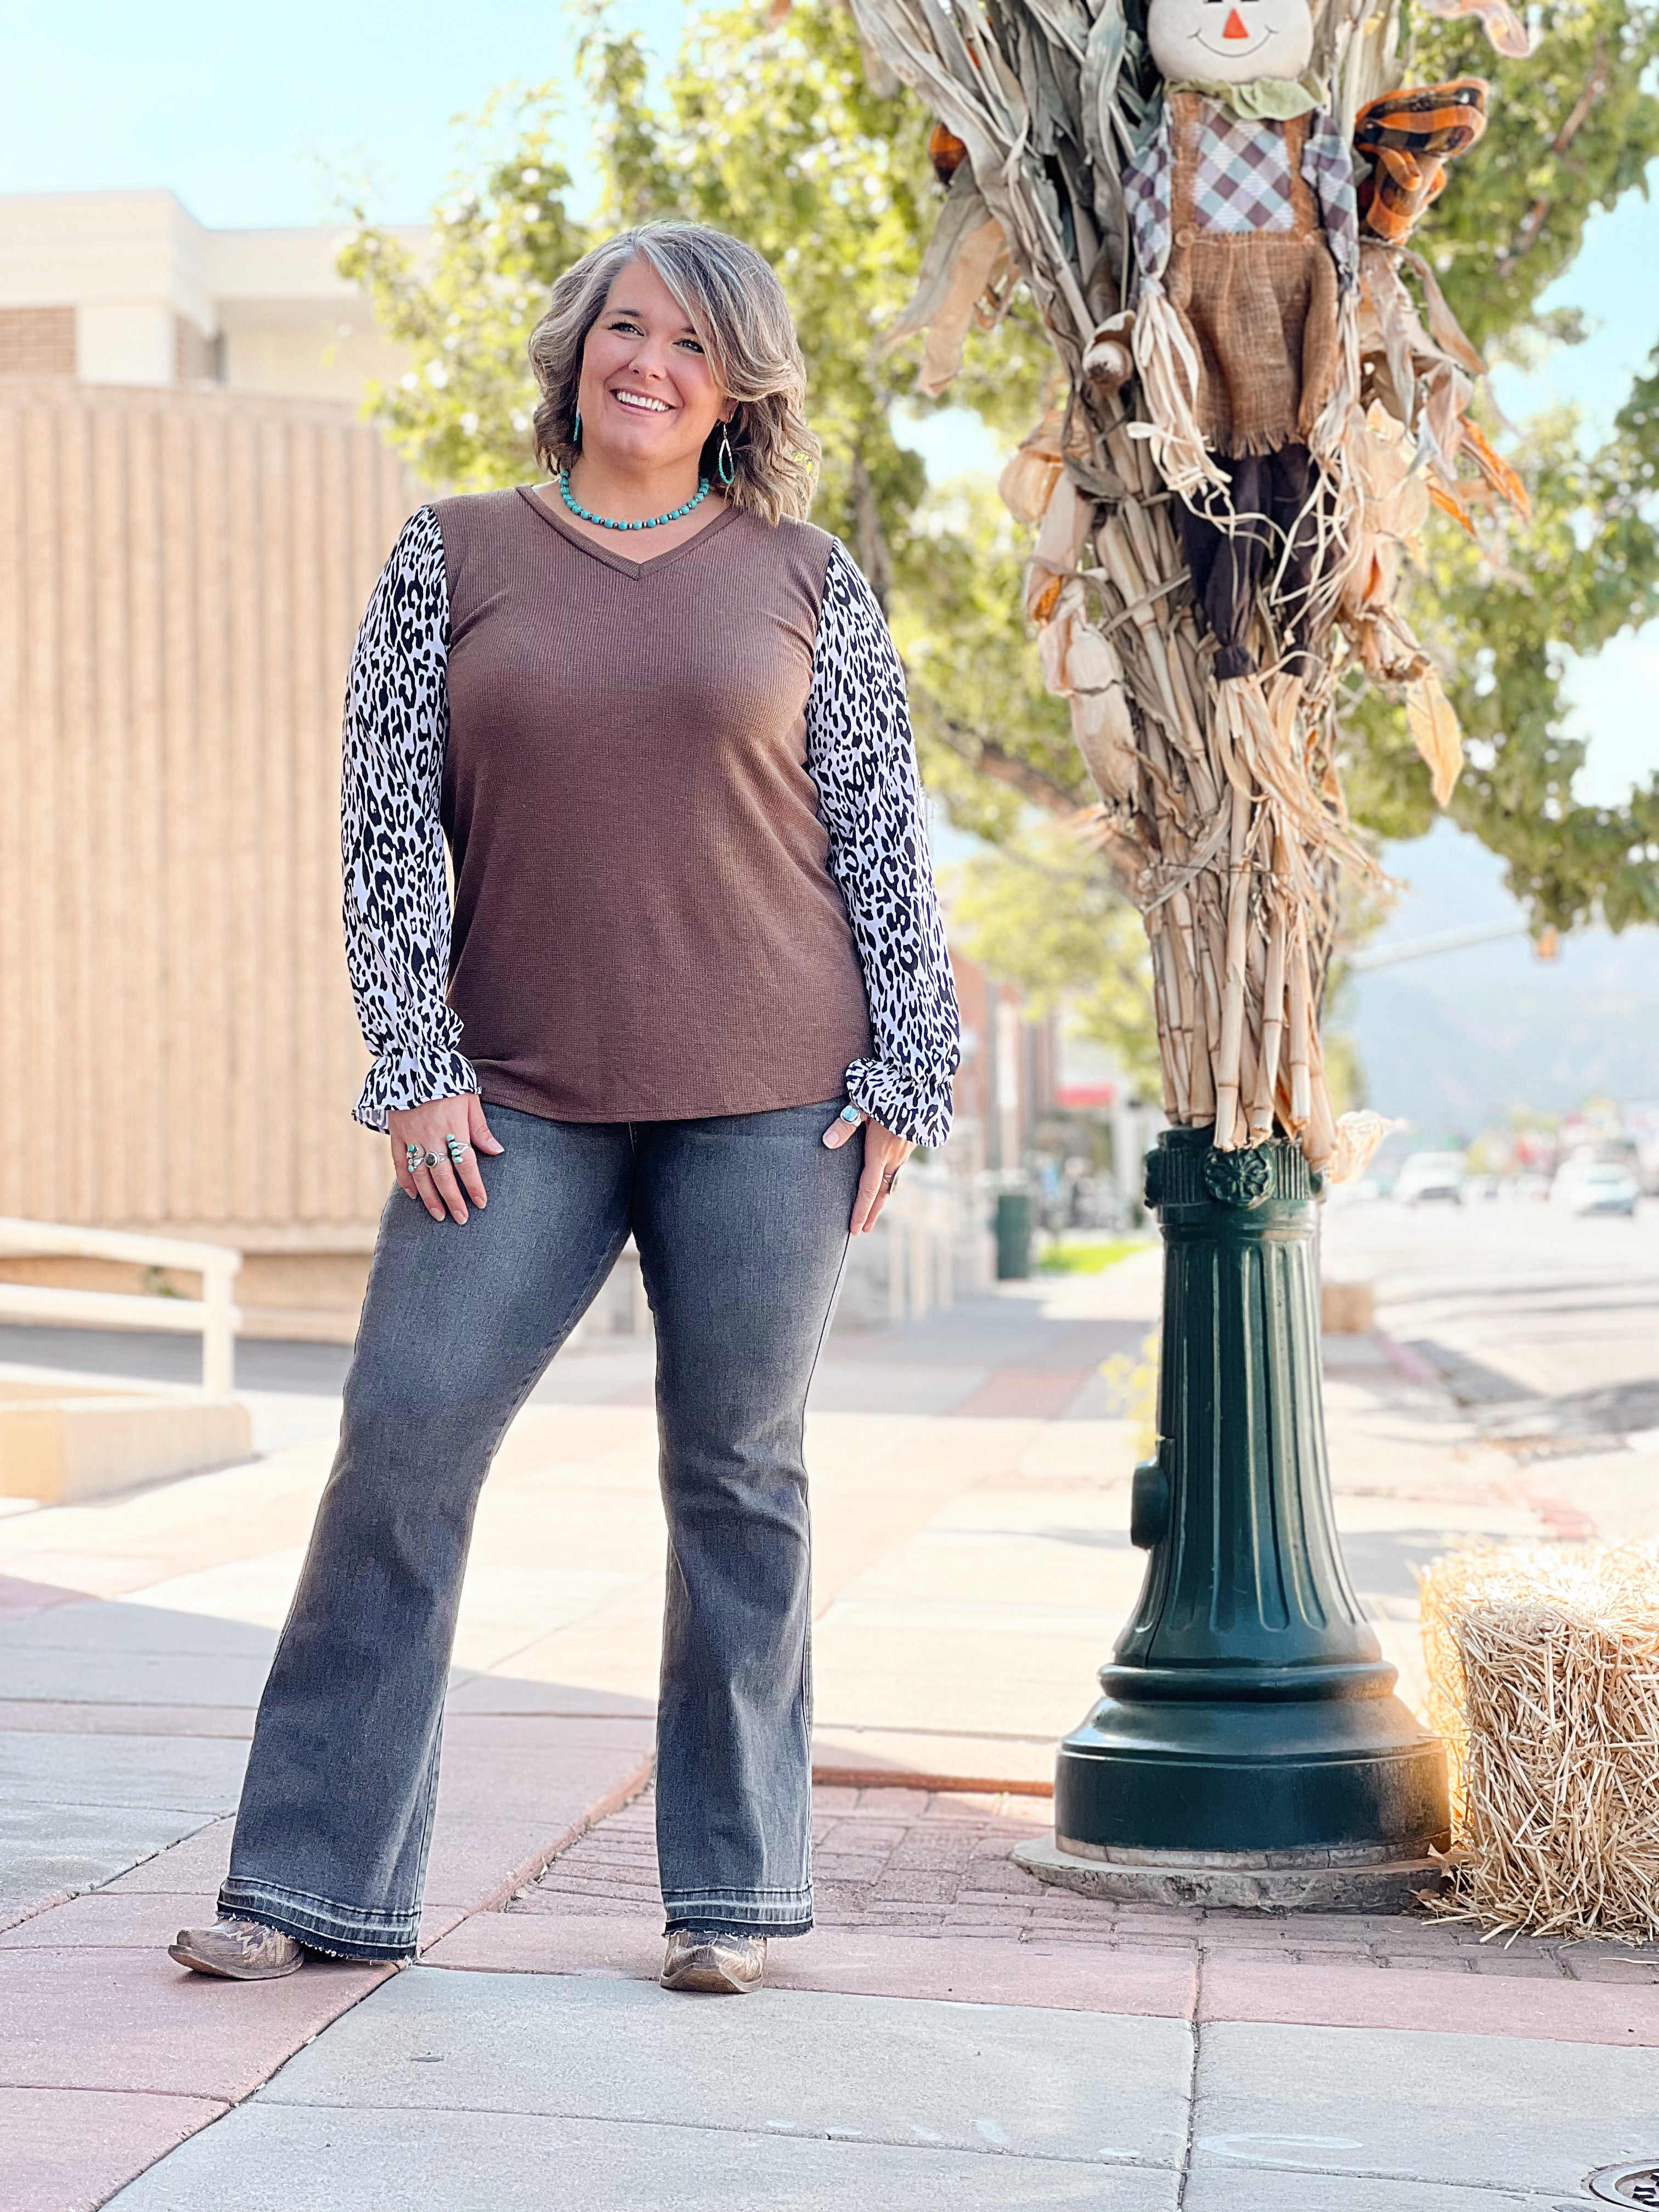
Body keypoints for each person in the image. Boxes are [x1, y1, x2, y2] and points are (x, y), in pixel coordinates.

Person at [167, 222, 960, 1997]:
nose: (651, 362)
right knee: (404, 1444)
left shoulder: (806, 575)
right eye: (627, 327)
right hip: (512, 1098)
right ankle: (309, 1885)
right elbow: (386, 837)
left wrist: (910, 1064)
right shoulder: (451, 556)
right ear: (576, 349)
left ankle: (731, 1900)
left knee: (738, 1477)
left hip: (775, 1096)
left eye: (693, 341)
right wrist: (417, 1060)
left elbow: (883, 831)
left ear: (738, 385)